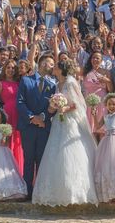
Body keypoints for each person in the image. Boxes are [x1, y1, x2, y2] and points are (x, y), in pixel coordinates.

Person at [32, 59, 98, 206]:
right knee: (55, 152)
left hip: (70, 122)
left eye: (55, 66)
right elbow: (55, 104)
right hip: (58, 121)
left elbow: (79, 103)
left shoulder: (70, 82)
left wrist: (65, 108)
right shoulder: (57, 84)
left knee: (70, 152)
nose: (53, 68)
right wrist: (53, 107)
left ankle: (75, 192)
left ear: (61, 69)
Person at [17, 53, 56, 197]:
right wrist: (32, 117)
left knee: (41, 159)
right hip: (28, 126)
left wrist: (43, 117)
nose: (52, 66)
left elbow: (53, 106)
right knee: (28, 159)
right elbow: (20, 102)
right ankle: (27, 190)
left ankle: (40, 191)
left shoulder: (52, 85)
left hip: (43, 127)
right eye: (50, 63)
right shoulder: (26, 81)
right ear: (41, 64)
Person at [82, 51, 113, 138]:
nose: (95, 59)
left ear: (101, 60)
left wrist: (107, 81)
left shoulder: (106, 72)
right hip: (89, 102)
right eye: (93, 58)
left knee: (101, 128)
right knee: (90, 128)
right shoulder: (86, 72)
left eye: (97, 58)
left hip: (102, 101)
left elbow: (110, 90)